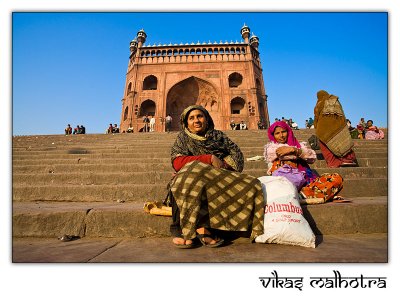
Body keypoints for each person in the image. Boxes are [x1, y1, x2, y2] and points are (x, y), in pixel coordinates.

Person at [167, 105, 265, 248]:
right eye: (191, 118)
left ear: (207, 119)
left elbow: (236, 159)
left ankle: (205, 227)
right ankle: (187, 229)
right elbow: (177, 162)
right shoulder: (183, 138)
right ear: (186, 122)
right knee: (188, 175)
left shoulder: (219, 137)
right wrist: (208, 159)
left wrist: (220, 167)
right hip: (191, 179)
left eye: (200, 116)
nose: (196, 121)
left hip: (218, 179)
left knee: (253, 184)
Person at [265, 121, 344, 202]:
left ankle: (301, 195)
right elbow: (281, 154)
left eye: (283, 132)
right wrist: (297, 152)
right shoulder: (271, 148)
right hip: (285, 183)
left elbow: (311, 157)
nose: (281, 135)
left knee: (336, 178)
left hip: (307, 183)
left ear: (288, 132)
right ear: (273, 136)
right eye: (277, 133)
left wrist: (294, 150)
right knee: (277, 163)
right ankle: (310, 195)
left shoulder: (298, 146)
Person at [314, 90, 358, 168]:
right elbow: (342, 113)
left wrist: (316, 127)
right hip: (338, 125)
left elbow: (316, 116)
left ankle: (333, 162)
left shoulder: (319, 103)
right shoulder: (335, 100)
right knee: (343, 142)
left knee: (325, 145)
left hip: (323, 128)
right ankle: (347, 160)